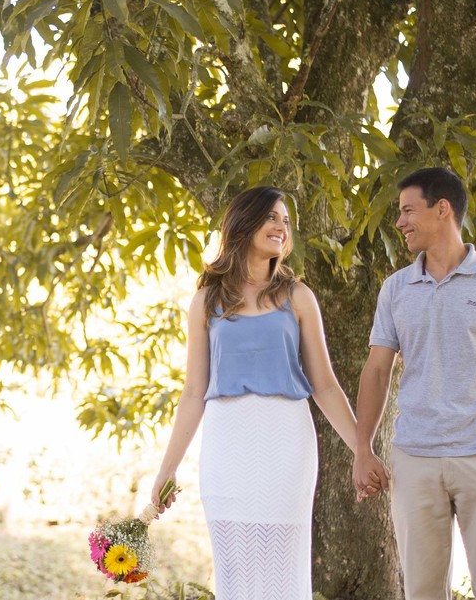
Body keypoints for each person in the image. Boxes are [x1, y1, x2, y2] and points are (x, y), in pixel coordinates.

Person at [149, 186, 369, 600]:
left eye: (286, 221)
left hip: (286, 443)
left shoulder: (298, 297)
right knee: (234, 571)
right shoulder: (205, 302)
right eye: (272, 217)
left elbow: (324, 384)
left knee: (283, 572)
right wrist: (167, 470)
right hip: (225, 446)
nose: (281, 227)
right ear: (244, 223)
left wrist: (363, 449)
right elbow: (194, 392)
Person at [352, 166, 476, 600]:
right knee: (422, 592)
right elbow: (376, 371)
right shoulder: (395, 289)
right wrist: (363, 449)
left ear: (442, 209)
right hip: (415, 460)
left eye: (408, 210)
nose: (400, 222)